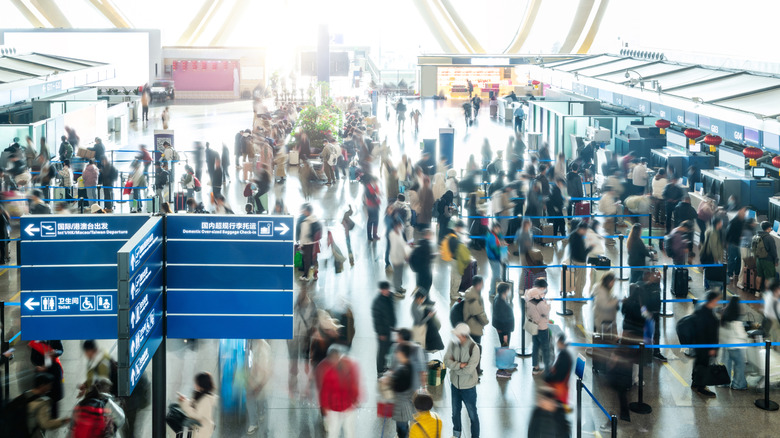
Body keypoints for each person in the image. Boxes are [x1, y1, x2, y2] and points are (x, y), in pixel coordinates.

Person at [315, 344, 361, 438]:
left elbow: (354, 383)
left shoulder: (348, 365)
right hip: (334, 407)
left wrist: (356, 399)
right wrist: (324, 407)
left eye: (337, 357)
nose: (335, 360)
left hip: (347, 406)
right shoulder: (324, 369)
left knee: (348, 431)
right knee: (333, 432)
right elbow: (323, 391)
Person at [444, 323, 480, 438]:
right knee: (455, 413)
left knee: (472, 415)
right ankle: (456, 435)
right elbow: (446, 361)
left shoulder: (474, 348)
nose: (455, 336)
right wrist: (460, 365)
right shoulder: (453, 343)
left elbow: (469, 370)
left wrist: (454, 367)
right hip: (455, 385)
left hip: (468, 388)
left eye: (457, 335)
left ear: (463, 335)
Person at [9, 373, 70, 437]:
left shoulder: (24, 395)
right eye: (49, 385)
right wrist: (63, 421)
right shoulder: (41, 403)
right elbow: (46, 424)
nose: (50, 388)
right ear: (42, 385)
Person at [691, 291, 721, 398]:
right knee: (704, 365)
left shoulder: (700, 309)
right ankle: (701, 387)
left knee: (698, 363)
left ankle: (695, 382)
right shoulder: (709, 316)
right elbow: (711, 333)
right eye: (717, 300)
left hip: (698, 344)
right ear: (712, 300)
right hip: (706, 346)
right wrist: (713, 348)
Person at [386, 343, 415, 438]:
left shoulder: (401, 371)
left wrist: (389, 380)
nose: (396, 354)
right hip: (407, 404)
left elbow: (394, 388)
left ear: (403, 354)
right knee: (404, 426)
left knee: (402, 428)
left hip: (401, 407)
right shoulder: (410, 365)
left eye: (398, 352)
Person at [719, 296, 748, 390]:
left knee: (726, 364)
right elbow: (741, 335)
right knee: (739, 366)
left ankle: (724, 382)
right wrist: (746, 336)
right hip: (737, 346)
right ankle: (738, 384)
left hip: (727, 345)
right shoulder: (736, 320)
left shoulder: (725, 316)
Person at [462, 276, 489, 374]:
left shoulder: (472, 292)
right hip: (474, 327)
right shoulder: (473, 297)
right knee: (475, 350)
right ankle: (475, 371)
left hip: (471, 326)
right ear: (479, 283)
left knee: (472, 349)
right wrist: (486, 321)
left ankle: (475, 369)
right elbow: (478, 313)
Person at [526, 279, 553, 374]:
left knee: (535, 347)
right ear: (541, 288)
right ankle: (547, 369)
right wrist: (548, 305)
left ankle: (535, 367)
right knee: (545, 348)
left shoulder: (529, 297)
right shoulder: (539, 301)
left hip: (534, 326)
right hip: (542, 327)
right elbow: (545, 311)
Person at [178, 372, 217, 437]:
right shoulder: (200, 395)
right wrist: (185, 400)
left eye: (196, 383)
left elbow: (196, 415)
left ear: (201, 384)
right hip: (198, 429)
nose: (195, 385)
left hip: (202, 431)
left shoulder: (206, 399)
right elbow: (194, 407)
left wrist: (184, 403)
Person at [245, 339, 272, 435]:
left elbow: (265, 370)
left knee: (250, 398)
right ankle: (261, 415)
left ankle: (254, 423)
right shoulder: (259, 344)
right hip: (257, 380)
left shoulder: (262, 350)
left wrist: (259, 385)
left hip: (260, 381)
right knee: (260, 399)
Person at [372, 281, 396, 376]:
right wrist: (381, 333)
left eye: (387, 289)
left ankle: (385, 365)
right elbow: (377, 320)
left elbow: (392, 312)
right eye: (385, 290)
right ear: (381, 290)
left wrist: (393, 325)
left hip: (390, 329)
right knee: (382, 351)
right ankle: (380, 370)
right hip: (382, 332)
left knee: (388, 348)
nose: (387, 291)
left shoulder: (390, 296)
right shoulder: (377, 303)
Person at [545, 335, 573, 408]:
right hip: (561, 388)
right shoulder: (564, 354)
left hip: (558, 391)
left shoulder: (564, 357)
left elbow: (559, 376)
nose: (557, 344)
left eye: (558, 342)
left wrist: (547, 377)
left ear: (561, 343)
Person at [492, 283, 515, 373]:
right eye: (508, 290)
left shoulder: (499, 298)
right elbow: (502, 318)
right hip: (504, 329)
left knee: (504, 347)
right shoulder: (500, 303)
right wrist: (505, 333)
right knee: (504, 346)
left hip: (504, 328)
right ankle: (502, 368)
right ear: (505, 291)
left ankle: (506, 364)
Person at [296, 203, 321, 281]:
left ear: (307, 211)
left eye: (305, 210)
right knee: (314, 260)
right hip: (315, 243)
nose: (304, 212)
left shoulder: (306, 221)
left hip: (307, 244)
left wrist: (300, 245)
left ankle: (306, 276)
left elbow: (303, 234)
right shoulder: (315, 219)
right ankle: (315, 275)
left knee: (306, 260)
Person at [701, 217, 726, 291]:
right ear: (718, 223)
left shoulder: (712, 230)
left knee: (708, 270)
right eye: (721, 222)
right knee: (710, 271)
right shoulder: (713, 233)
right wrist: (716, 257)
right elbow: (713, 246)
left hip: (709, 255)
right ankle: (708, 286)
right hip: (711, 255)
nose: (722, 224)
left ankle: (708, 286)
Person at [568, 221, 592, 297]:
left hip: (573, 259)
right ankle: (578, 296)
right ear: (582, 229)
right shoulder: (578, 238)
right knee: (581, 280)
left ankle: (577, 294)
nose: (586, 232)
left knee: (577, 279)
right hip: (580, 261)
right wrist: (590, 248)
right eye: (585, 230)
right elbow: (582, 253)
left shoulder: (573, 234)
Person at [592, 273, 619, 337]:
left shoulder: (601, 288)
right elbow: (605, 306)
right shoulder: (602, 292)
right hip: (602, 317)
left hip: (599, 314)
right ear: (608, 281)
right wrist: (616, 301)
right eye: (612, 282)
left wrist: (614, 298)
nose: (613, 284)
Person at [389, 219, 411, 295]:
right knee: (397, 274)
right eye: (400, 225)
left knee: (400, 273)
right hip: (396, 257)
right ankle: (396, 290)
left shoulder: (400, 233)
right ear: (395, 227)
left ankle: (399, 286)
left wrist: (406, 253)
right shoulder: (392, 235)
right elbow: (394, 248)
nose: (401, 227)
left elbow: (403, 243)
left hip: (401, 257)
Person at [409, 227, 434, 292]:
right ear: (428, 235)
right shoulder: (426, 245)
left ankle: (419, 295)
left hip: (420, 270)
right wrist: (432, 256)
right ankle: (423, 297)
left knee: (420, 285)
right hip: (425, 270)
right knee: (425, 286)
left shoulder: (420, 243)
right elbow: (426, 257)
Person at [755, 221, 778, 291]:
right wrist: (776, 260)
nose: (771, 229)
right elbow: (773, 251)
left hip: (758, 259)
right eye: (770, 227)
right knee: (768, 278)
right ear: (768, 228)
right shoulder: (769, 238)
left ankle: (757, 291)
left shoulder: (757, 235)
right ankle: (767, 293)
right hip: (768, 260)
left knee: (759, 275)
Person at [485, 222, 507, 297]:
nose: (498, 230)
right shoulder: (492, 237)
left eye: (499, 229)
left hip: (493, 257)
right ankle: (492, 292)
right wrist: (500, 258)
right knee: (495, 275)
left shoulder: (493, 234)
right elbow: (495, 250)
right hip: (494, 258)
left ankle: (494, 290)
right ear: (493, 228)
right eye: (497, 229)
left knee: (496, 274)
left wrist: (502, 242)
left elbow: (500, 237)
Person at [726, 208, 747, 282]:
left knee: (739, 259)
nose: (744, 214)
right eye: (743, 212)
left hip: (740, 244)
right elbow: (728, 233)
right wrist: (727, 242)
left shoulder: (744, 221)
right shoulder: (733, 221)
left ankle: (737, 273)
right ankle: (730, 274)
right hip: (733, 243)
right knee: (731, 259)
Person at [364, 175, 382, 241]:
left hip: (376, 205)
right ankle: (369, 236)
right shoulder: (367, 187)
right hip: (370, 206)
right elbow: (368, 197)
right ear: (372, 181)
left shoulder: (376, 186)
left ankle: (375, 234)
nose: (376, 183)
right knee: (370, 221)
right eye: (375, 182)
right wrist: (376, 195)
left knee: (376, 221)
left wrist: (378, 194)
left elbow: (378, 193)